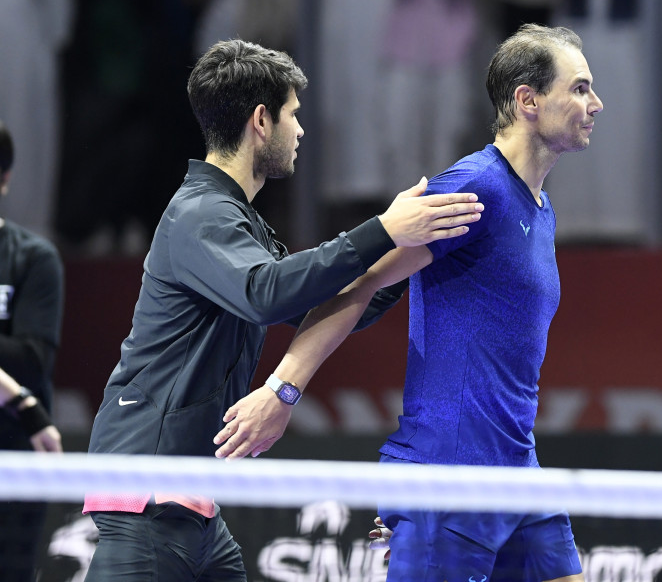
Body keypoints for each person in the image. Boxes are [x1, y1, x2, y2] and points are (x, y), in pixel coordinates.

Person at [81, 38, 483, 581]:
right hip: (147, 497)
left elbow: (330, 301)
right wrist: (383, 229)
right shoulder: (200, 214)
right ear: (261, 120)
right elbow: (267, 292)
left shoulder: (236, 221)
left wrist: (418, 251)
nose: (301, 132)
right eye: (294, 115)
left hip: (194, 509)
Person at [215, 23, 602, 582]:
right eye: (581, 88)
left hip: (518, 469)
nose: (596, 103)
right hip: (445, 478)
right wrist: (282, 390)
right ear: (528, 101)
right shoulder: (475, 189)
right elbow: (359, 282)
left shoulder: (541, 208)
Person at [0, 118, 65, 580]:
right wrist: (16, 394)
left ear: (4, 179)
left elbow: (32, 360)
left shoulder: (33, 257)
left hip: (14, 461)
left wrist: (19, 394)